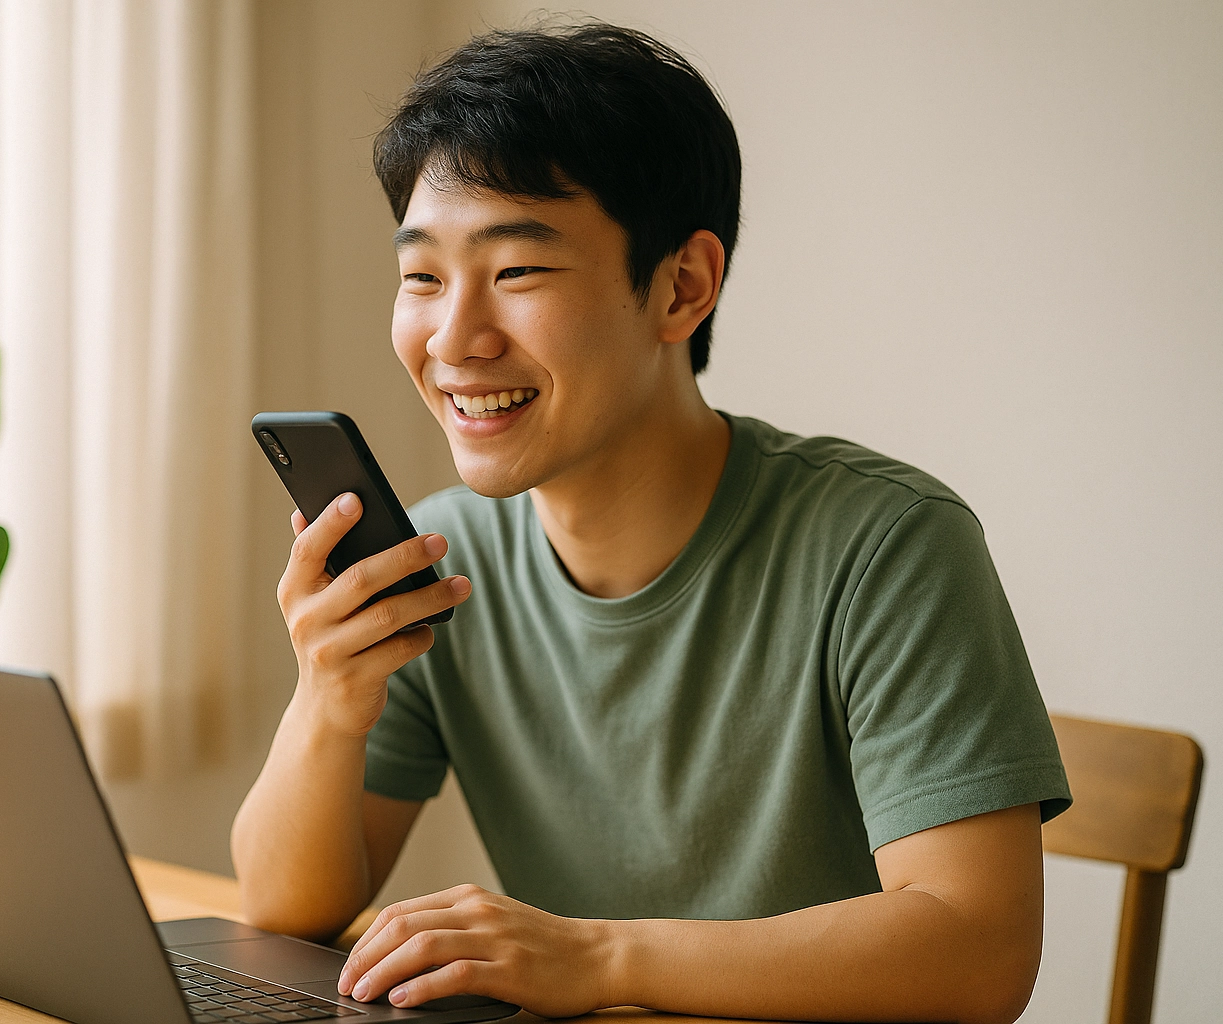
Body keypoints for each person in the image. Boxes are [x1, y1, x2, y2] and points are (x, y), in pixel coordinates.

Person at [231, 22, 1070, 1024]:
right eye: (421, 277)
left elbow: (979, 950)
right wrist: (328, 698)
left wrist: (597, 956)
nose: (455, 337)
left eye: (517, 272)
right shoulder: (443, 560)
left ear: (682, 287)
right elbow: (286, 908)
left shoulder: (886, 543)